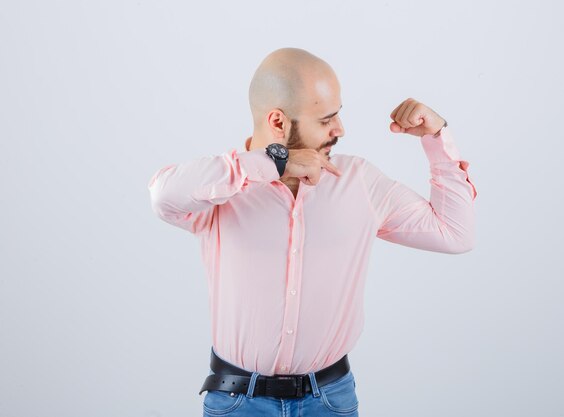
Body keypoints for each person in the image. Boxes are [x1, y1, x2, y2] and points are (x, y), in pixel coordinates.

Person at [147, 47, 478, 417]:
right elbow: (163, 194)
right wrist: (275, 161)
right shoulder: (221, 188)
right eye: (326, 119)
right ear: (278, 123)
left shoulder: (360, 183)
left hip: (330, 400)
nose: (340, 130)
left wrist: (436, 138)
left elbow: (455, 233)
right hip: (237, 403)